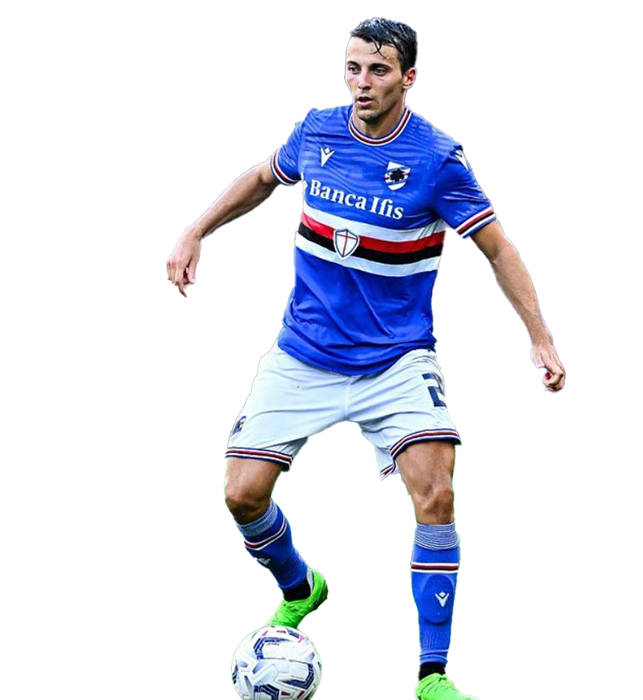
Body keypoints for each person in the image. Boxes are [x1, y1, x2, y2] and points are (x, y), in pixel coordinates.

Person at [166, 17, 565, 700]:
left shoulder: (437, 160)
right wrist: (195, 230)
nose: (361, 83)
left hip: (395, 362)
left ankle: (432, 677)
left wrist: (539, 336)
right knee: (240, 494)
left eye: (378, 70)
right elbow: (263, 179)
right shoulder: (317, 132)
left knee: (437, 495)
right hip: (303, 354)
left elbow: (497, 248)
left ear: (408, 78)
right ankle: (301, 587)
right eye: (353, 68)